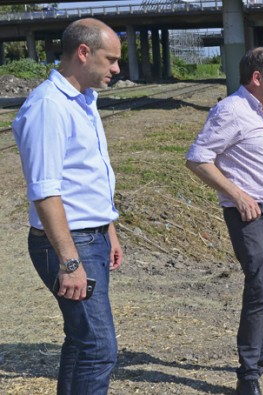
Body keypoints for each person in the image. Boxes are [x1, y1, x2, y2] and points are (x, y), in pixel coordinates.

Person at [12, 18, 124, 394]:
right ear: (83, 53)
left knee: (82, 341)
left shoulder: (84, 101)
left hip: (90, 238)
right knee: (99, 348)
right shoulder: (49, 106)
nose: (116, 69)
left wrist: (108, 228)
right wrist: (70, 261)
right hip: (69, 244)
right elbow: (45, 191)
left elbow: (85, 176)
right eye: (110, 59)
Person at [185, 47, 263, 395]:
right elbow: (198, 159)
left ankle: (260, 353)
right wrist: (239, 195)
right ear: (257, 78)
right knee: (259, 285)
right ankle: (248, 374)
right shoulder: (231, 111)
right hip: (248, 214)